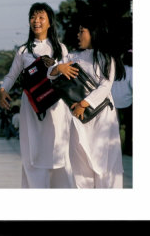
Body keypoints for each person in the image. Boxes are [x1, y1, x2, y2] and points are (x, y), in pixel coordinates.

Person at [0, 2, 76, 188]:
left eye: (41, 17)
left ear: (50, 22)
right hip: (31, 106)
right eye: (33, 17)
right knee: (32, 148)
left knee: (57, 147)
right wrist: (2, 91)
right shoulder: (23, 50)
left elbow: (69, 78)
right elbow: (12, 75)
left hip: (56, 105)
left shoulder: (60, 49)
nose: (37, 21)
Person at [50, 16, 125, 188]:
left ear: (93, 33)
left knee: (104, 162)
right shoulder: (73, 56)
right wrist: (58, 68)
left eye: (82, 31)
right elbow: (50, 74)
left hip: (101, 117)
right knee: (80, 163)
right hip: (79, 119)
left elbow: (105, 86)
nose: (78, 35)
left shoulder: (106, 58)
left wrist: (83, 104)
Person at [111, 50, 133, 156]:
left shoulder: (116, 69)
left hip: (113, 101)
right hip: (126, 102)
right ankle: (128, 149)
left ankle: (114, 148)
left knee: (115, 126)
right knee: (129, 127)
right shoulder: (132, 71)